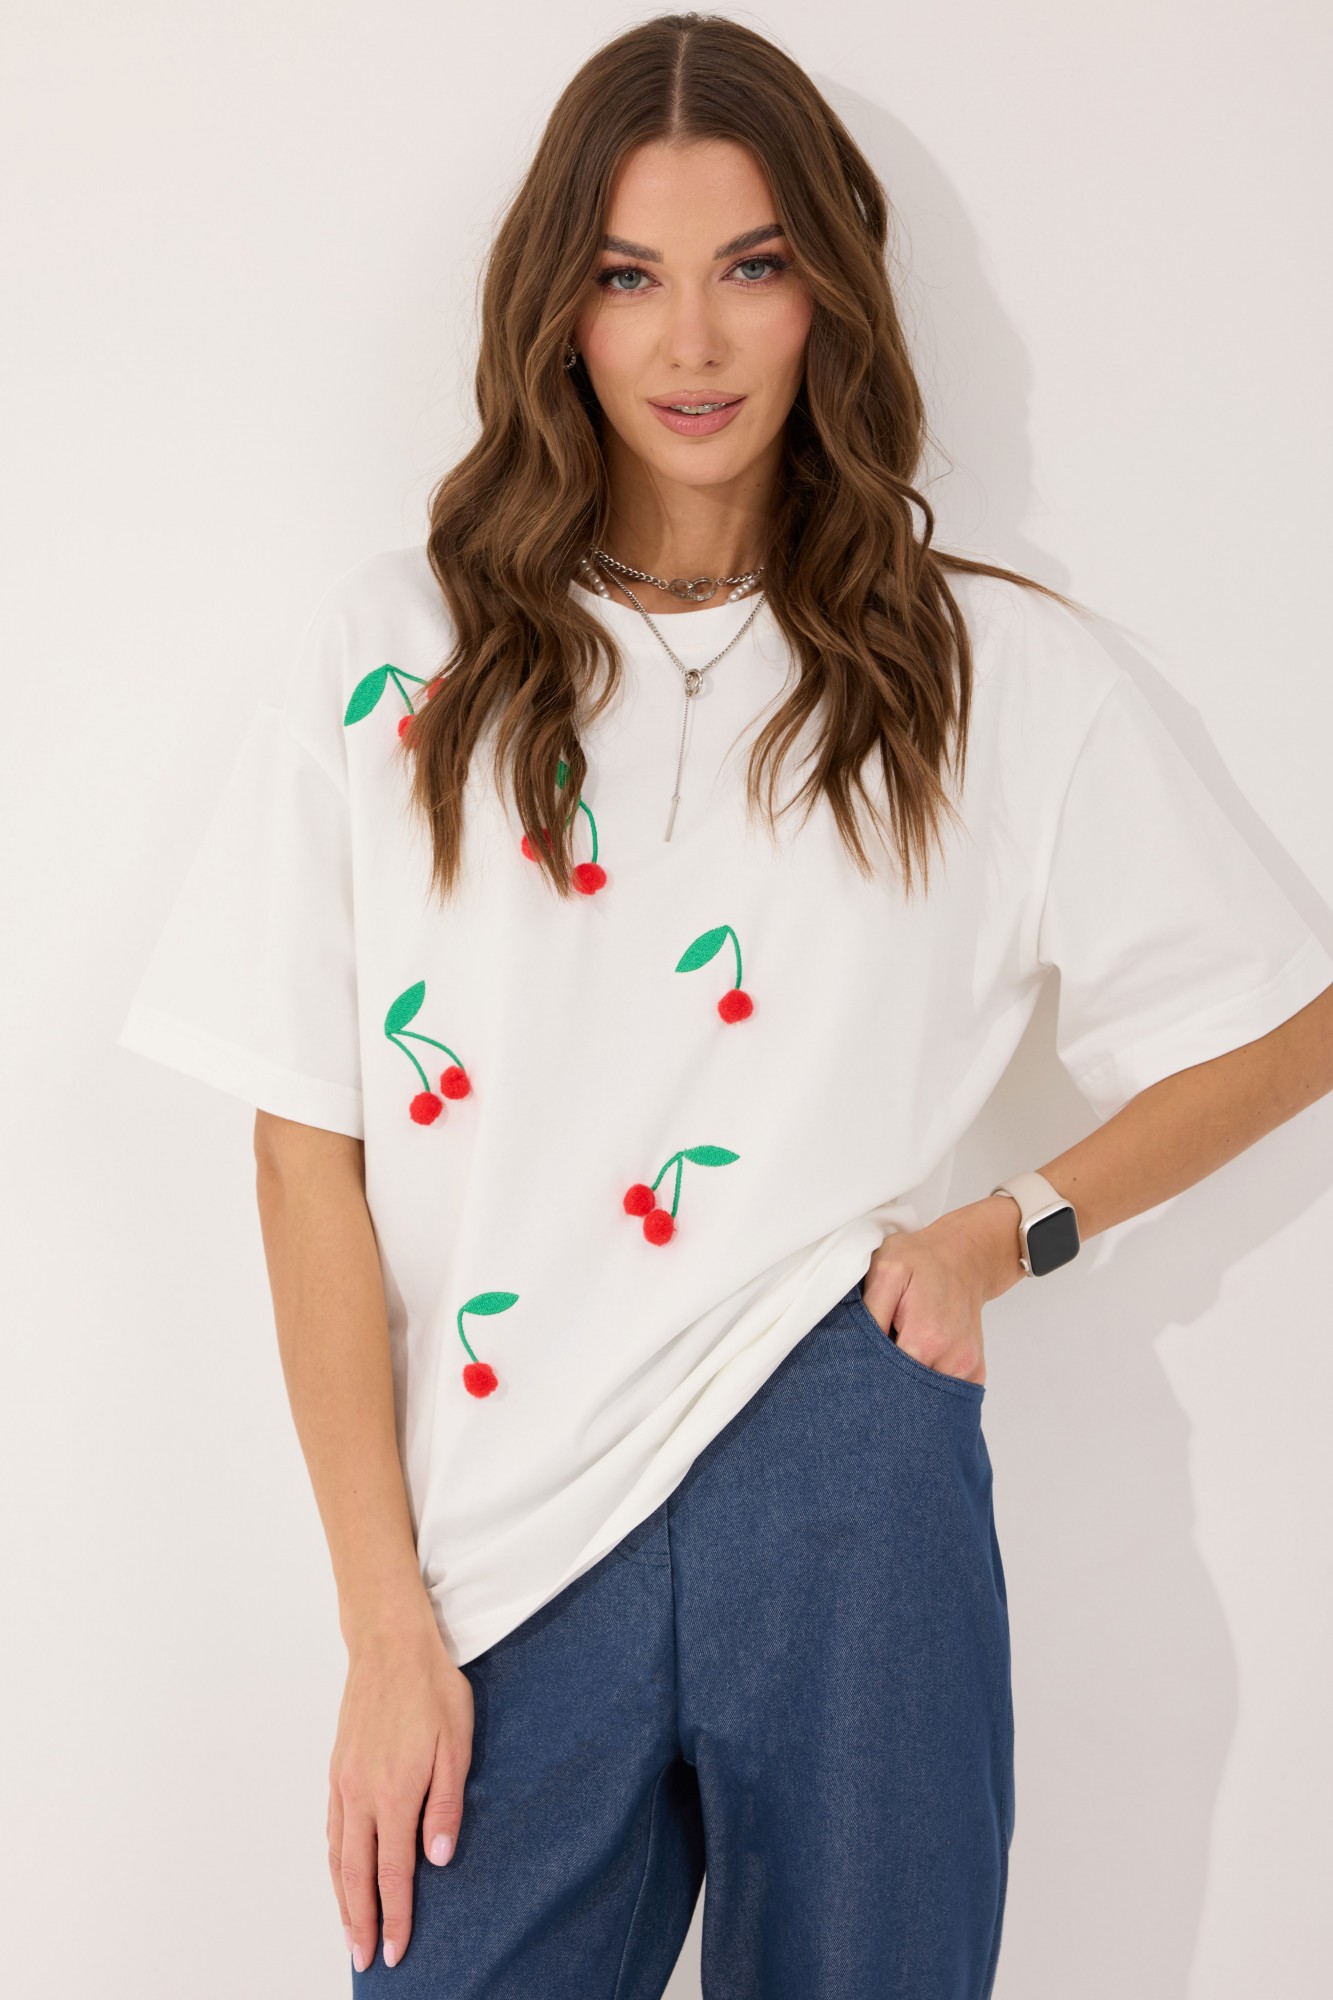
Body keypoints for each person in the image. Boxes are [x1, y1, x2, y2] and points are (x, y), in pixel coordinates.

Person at [116, 13, 1333, 1997]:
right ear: (558, 309)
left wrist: (1004, 1230)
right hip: (506, 1554)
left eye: (750, 267)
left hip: (841, 1461)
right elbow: (300, 1147)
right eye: (629, 276)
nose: (691, 341)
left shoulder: (984, 670)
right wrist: (383, 1623)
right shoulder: (399, 652)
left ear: (825, 290)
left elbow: (1283, 1022)